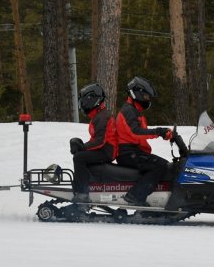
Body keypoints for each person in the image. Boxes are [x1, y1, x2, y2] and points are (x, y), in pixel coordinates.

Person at [115, 76, 172, 206]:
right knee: (160, 166)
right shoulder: (128, 111)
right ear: (137, 94)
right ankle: (135, 196)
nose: (148, 100)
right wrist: (158, 132)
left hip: (133, 151)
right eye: (146, 96)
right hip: (127, 153)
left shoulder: (134, 111)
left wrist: (166, 134)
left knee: (164, 165)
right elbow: (136, 132)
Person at [69, 83, 118, 204]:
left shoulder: (102, 117)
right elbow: (95, 140)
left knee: (79, 158)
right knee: (81, 156)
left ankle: (82, 194)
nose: (82, 105)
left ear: (92, 101)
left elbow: (100, 141)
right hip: (105, 149)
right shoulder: (99, 115)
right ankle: (82, 186)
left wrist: (83, 148)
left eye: (83, 102)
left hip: (107, 151)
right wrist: (82, 147)